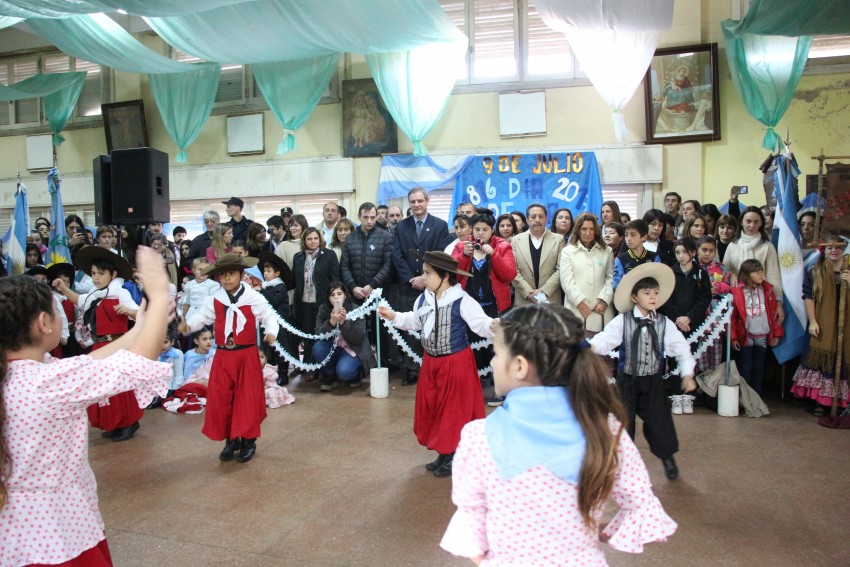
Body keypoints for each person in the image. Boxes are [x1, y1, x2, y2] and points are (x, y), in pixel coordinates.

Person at [440, 303, 677, 565]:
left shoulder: (479, 436)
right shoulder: (605, 429)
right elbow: (639, 503)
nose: (494, 362)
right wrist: (594, 532)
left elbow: (472, 517)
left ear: (519, 366)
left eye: (496, 353)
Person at [0, 247, 172, 567]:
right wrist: (160, 296)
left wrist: (137, 329)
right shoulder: (49, 383)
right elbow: (136, 362)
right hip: (57, 532)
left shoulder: (27, 374)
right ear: (43, 323)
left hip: (13, 532)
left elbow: (89, 361)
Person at [379, 251, 494, 477]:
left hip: (455, 362)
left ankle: (454, 455)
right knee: (436, 409)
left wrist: (497, 326)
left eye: (427, 273)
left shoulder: (463, 300)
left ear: (445, 276)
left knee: (454, 411)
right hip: (431, 362)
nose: (423, 277)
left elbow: (482, 325)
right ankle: (444, 453)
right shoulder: (424, 298)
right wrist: (393, 316)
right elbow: (416, 321)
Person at [589, 263, 698, 480]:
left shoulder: (663, 322)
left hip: (653, 381)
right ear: (634, 297)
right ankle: (620, 462)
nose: (653, 297)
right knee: (622, 422)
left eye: (656, 293)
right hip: (626, 381)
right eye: (647, 293)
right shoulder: (622, 321)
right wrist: (587, 346)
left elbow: (681, 347)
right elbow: (605, 340)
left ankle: (667, 456)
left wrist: (687, 373)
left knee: (660, 421)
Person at [179, 254, 280, 464]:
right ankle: (230, 440)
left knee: (247, 398)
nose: (227, 279)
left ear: (241, 275)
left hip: (246, 355)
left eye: (231, 274)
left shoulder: (252, 297)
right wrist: (189, 325)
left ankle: (248, 440)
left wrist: (271, 331)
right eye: (223, 275)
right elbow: (202, 317)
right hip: (224, 355)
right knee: (223, 398)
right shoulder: (215, 299)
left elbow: (269, 316)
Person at [52, 246, 144, 442]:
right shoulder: (95, 294)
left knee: (119, 388)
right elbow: (79, 301)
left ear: (113, 274)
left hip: (117, 345)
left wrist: (128, 312)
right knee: (104, 388)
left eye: (101, 273)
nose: (96, 277)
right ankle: (114, 423)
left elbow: (143, 315)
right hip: (98, 347)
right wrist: (63, 289)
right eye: (93, 273)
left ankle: (129, 422)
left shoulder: (121, 293)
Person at [452, 208, 517, 405]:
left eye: (485, 229)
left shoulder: (503, 246)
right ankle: (469, 389)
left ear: (492, 230)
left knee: (498, 349)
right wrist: (464, 256)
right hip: (469, 308)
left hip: (495, 306)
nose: (480, 233)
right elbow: (453, 274)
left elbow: (509, 275)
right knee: (468, 349)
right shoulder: (462, 245)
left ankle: (500, 390)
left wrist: (493, 255)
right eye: (477, 229)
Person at [391, 187, 453, 386]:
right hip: (408, 287)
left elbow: (441, 254)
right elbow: (397, 255)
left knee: (432, 328)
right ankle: (412, 369)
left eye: (420, 201)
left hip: (433, 286)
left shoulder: (440, 225)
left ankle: (432, 369)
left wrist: (425, 278)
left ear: (427, 201)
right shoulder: (401, 227)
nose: (416, 205)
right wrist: (411, 278)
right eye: (413, 201)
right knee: (410, 331)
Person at [791, 235, 850, 414]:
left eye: (838, 247)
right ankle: (820, 401)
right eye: (830, 247)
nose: (834, 251)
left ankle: (840, 402)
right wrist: (813, 321)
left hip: (845, 326)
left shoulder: (848, 271)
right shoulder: (816, 271)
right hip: (822, 324)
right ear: (824, 250)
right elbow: (809, 297)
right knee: (821, 359)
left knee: (842, 360)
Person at [730, 259, 783, 395]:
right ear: (746, 274)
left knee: (759, 367)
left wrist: (776, 334)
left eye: (761, 271)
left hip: (762, 334)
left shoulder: (767, 290)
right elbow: (733, 317)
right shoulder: (738, 291)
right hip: (745, 336)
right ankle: (745, 396)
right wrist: (733, 337)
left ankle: (756, 397)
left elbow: (773, 314)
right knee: (746, 366)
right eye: (756, 272)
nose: (761, 275)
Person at [724, 206, 784, 325]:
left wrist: (779, 303)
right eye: (748, 221)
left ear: (761, 223)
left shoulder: (767, 246)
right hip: (737, 297)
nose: (752, 225)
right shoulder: (732, 245)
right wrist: (732, 273)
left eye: (756, 222)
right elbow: (724, 270)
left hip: (761, 299)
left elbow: (774, 277)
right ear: (741, 222)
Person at [292, 228, 340, 372]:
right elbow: (295, 279)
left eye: (315, 238)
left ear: (320, 239)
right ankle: (309, 367)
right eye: (309, 239)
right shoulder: (298, 257)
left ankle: (324, 369)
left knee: (322, 334)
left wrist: (335, 301)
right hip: (304, 302)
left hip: (322, 303)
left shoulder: (329, 255)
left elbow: (335, 279)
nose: (313, 241)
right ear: (304, 241)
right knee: (307, 335)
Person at [560, 212, 614, 336]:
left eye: (591, 229)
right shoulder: (568, 251)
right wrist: (580, 303)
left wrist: (604, 301)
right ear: (578, 230)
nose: (588, 233)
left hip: (601, 310)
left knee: (602, 352)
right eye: (584, 229)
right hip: (575, 309)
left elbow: (610, 278)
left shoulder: (607, 251)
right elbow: (566, 281)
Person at [312, 282, 374, 390]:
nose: (336, 298)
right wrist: (331, 322)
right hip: (334, 347)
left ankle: (356, 374)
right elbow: (318, 335)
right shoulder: (324, 309)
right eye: (332, 295)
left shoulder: (356, 309)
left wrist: (343, 323)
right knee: (318, 348)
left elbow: (358, 337)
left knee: (345, 371)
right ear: (328, 298)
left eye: (339, 294)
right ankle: (331, 376)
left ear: (345, 295)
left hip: (353, 349)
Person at [660, 238, 712, 342]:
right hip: (674, 323)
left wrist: (689, 317)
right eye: (677, 252)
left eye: (684, 252)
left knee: (693, 354)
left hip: (694, 323)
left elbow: (705, 299)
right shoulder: (669, 273)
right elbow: (666, 300)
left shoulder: (701, 274)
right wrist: (679, 319)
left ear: (693, 252)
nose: (681, 256)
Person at [511, 203, 564, 307]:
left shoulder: (558, 239)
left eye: (541, 216)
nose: (537, 220)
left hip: (550, 299)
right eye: (533, 216)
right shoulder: (516, 240)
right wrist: (528, 293)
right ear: (527, 219)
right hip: (524, 300)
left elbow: (561, 269)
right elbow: (513, 270)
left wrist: (543, 291)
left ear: (546, 218)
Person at [696, 236, 732, 373]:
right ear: (697, 250)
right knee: (699, 354)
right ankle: (700, 387)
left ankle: (713, 387)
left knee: (716, 353)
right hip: (699, 316)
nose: (707, 253)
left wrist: (718, 287)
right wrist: (704, 291)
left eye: (711, 250)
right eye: (704, 250)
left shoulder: (721, 268)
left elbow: (729, 290)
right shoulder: (693, 267)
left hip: (716, 316)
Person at [257, 252, 293, 386]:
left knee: (281, 349)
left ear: (277, 273)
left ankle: (283, 374)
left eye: (269, 271)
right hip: (267, 323)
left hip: (280, 324)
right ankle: (270, 372)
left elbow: (274, 300)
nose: (265, 273)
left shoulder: (280, 286)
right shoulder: (265, 286)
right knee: (269, 349)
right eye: (264, 271)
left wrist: (261, 290)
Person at [613, 219, 660, 290]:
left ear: (644, 237)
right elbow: (615, 285)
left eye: (633, 235)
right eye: (626, 235)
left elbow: (658, 280)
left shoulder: (654, 257)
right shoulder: (620, 259)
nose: (628, 239)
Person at [180, 258, 221, 322]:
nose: (203, 272)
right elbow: (186, 303)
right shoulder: (189, 284)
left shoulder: (214, 285)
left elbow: (214, 304)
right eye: (200, 269)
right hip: (191, 316)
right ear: (194, 270)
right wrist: (184, 319)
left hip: (206, 317)